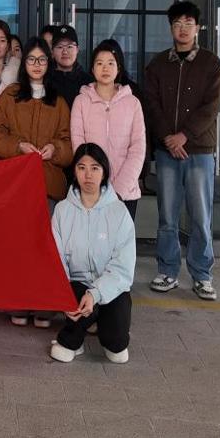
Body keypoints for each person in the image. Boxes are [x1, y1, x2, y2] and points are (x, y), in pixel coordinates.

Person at [0, 37, 73, 327]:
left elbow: (69, 143)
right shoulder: (11, 96)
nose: (37, 65)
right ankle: (18, 303)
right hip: (15, 185)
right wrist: (18, 146)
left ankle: (44, 306)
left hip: (48, 186)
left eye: (42, 60)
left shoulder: (58, 101)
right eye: (32, 59)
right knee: (17, 246)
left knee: (45, 247)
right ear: (24, 63)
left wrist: (54, 150)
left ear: (49, 64)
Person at [144, 0, 220, 302]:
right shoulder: (157, 65)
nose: (183, 29)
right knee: (167, 215)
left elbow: (211, 107)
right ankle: (167, 270)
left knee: (201, 216)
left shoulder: (211, 64)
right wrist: (168, 137)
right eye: (177, 23)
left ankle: (202, 275)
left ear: (198, 27)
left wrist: (184, 136)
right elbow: (151, 105)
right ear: (171, 28)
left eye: (188, 23)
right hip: (167, 151)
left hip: (199, 151)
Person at [49, 143, 134, 364]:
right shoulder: (62, 210)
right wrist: (63, 296)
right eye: (82, 168)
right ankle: (72, 339)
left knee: (118, 351)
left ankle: (101, 323)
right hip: (76, 285)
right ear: (74, 172)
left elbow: (123, 267)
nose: (88, 175)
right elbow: (56, 259)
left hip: (110, 286)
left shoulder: (119, 212)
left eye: (95, 168)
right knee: (65, 345)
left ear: (104, 172)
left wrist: (95, 294)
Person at [70, 40, 146, 219]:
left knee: (121, 236)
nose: (105, 68)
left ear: (118, 68)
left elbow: (138, 148)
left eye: (111, 63)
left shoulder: (132, 103)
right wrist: (95, 184)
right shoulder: (81, 101)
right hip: (91, 190)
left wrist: (119, 190)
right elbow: (78, 144)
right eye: (99, 63)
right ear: (92, 69)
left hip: (125, 192)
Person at [49, 24, 93, 108]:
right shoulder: (45, 80)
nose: (65, 52)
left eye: (69, 46)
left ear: (77, 49)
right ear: (52, 52)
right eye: (60, 47)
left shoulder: (88, 82)